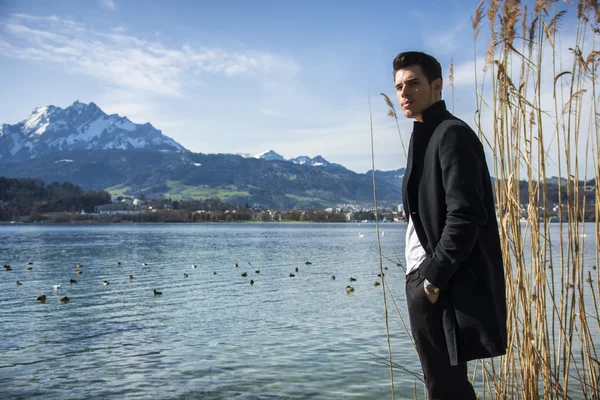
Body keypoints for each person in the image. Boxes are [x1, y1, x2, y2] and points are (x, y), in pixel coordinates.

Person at [394, 51, 507, 399]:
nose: (404, 93)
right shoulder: (425, 135)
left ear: (437, 86)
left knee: (445, 388)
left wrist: (433, 279)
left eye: (413, 83)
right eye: (399, 86)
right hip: (426, 277)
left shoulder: (451, 134)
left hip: (437, 282)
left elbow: (466, 215)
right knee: (444, 385)